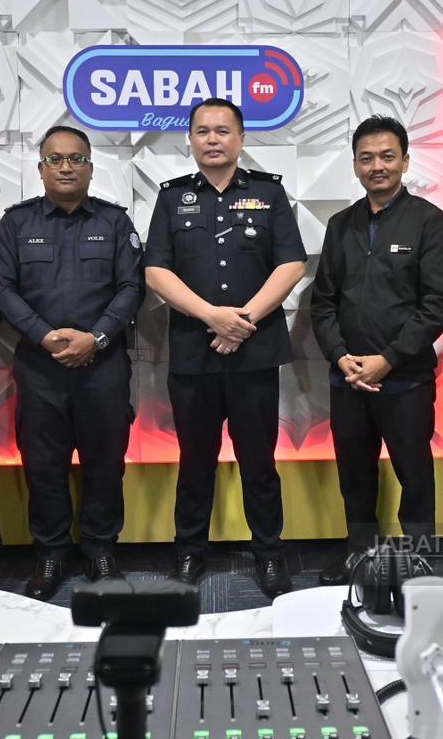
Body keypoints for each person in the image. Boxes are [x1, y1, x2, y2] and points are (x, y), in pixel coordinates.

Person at [143, 97, 306, 598]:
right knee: (195, 462)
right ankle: (189, 552)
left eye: (222, 131)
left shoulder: (268, 193)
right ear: (190, 139)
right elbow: (156, 271)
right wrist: (212, 317)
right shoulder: (172, 199)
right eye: (202, 131)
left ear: (241, 138)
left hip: (254, 354)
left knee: (259, 462)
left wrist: (243, 320)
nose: (212, 139)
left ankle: (270, 555)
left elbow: (291, 264)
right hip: (193, 354)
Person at [0, 125, 143, 601]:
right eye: (55, 159)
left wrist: (96, 338)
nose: (66, 167)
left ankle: (101, 550)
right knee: (43, 466)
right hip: (40, 369)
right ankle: (50, 554)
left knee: (105, 464)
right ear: (41, 169)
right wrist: (43, 335)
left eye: (76, 158)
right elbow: (0, 288)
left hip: (103, 366)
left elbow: (132, 287)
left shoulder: (115, 222)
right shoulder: (17, 224)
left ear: (91, 168)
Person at [310, 115, 443, 585]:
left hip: (405, 379)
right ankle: (359, 556)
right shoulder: (341, 225)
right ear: (355, 165)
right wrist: (340, 356)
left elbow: (439, 304)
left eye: (388, 156)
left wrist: (388, 358)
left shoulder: (431, 223)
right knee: (355, 478)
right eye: (367, 158)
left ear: (405, 162)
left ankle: (419, 561)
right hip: (348, 378)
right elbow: (323, 302)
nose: (377, 166)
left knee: (415, 476)